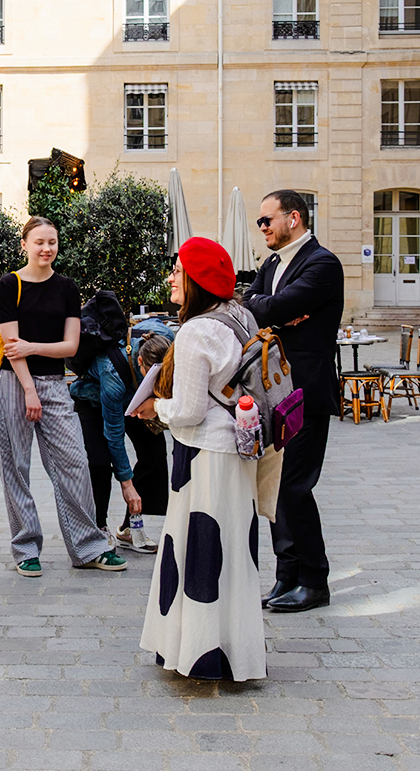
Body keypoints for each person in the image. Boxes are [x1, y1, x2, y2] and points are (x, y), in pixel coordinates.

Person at [134, 237, 268, 682]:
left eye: (178, 270)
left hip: (203, 457)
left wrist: (157, 407)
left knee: (199, 554)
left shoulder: (194, 331)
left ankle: (198, 653)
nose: (171, 277)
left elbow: (189, 410)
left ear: (195, 279)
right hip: (239, 451)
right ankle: (235, 651)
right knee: (233, 553)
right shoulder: (239, 314)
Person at [0, 216, 126, 577]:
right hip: (13, 385)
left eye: (52, 241)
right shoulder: (10, 284)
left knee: (74, 463)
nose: (46, 248)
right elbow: (10, 347)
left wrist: (32, 347)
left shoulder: (67, 287)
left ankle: (88, 547)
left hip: (54, 382)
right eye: (39, 242)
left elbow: (70, 345)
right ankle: (25, 548)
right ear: (25, 244)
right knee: (15, 467)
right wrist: (29, 389)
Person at [241, 189, 344, 613]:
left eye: (268, 220)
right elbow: (254, 307)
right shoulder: (272, 263)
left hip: (306, 389)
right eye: (260, 222)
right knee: (274, 486)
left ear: (294, 218)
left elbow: (272, 307)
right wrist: (275, 309)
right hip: (273, 391)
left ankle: (315, 581)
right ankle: (287, 574)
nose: (262, 227)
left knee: (295, 487)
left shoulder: (322, 263)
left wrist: (275, 309)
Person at [70, 289, 165, 553]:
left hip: (135, 398)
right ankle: (98, 528)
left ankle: (128, 527)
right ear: (139, 361)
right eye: (150, 376)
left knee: (154, 453)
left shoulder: (165, 339)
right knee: (100, 462)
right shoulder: (112, 377)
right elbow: (115, 436)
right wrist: (127, 484)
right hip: (93, 399)